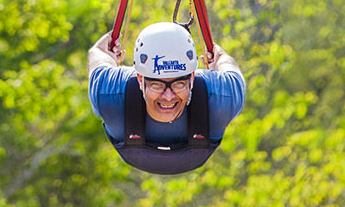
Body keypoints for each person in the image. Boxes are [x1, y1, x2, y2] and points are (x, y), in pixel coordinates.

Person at [88, 21, 246, 174]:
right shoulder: (109, 96)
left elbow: (99, 54)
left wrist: (221, 59)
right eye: (156, 85)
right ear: (140, 80)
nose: (168, 97)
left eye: (179, 84)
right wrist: (219, 60)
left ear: (192, 78)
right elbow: (226, 62)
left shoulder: (222, 97)